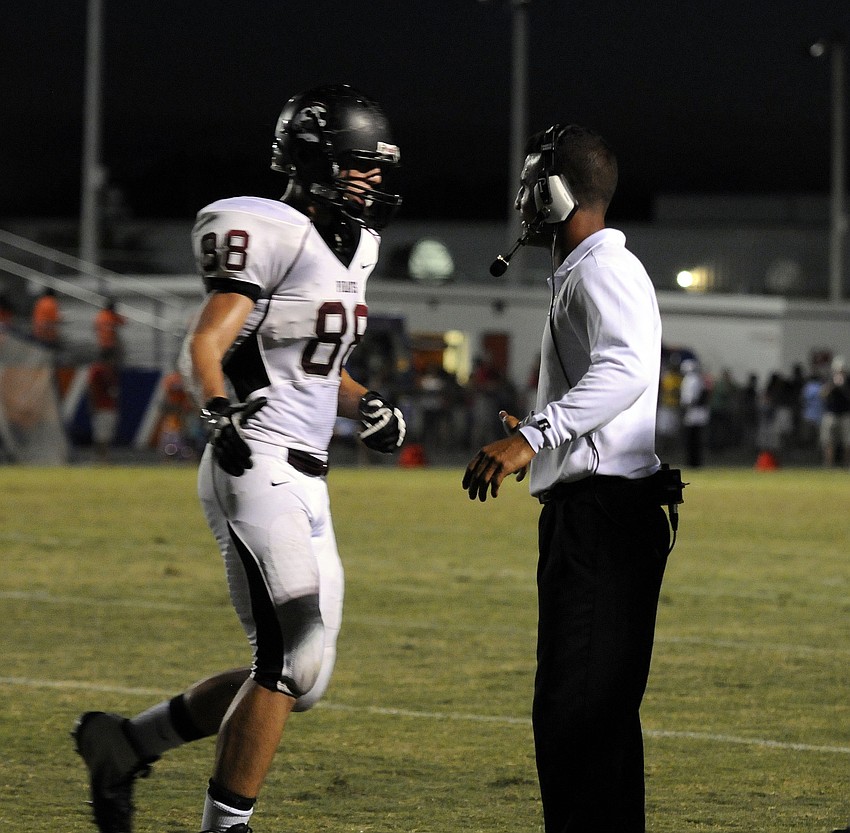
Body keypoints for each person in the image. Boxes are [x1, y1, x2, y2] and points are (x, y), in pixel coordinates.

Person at [72, 84, 406, 833]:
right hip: (253, 458)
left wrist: (368, 403)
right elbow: (208, 341)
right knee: (289, 658)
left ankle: (127, 744)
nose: (375, 181)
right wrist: (215, 405)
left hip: (310, 473)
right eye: (361, 166)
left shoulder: (360, 247)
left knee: (303, 678)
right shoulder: (267, 227)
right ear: (316, 162)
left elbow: (315, 366)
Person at [462, 123, 673, 832]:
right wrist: (544, 425)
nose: (522, 199)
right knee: (595, 716)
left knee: (575, 715)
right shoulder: (589, 270)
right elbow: (609, 381)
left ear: (555, 191)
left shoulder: (601, 269)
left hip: (604, 519)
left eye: (531, 184)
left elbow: (626, 368)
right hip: (605, 512)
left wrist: (533, 436)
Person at [87, 348, 121, 461]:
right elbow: (91, 389)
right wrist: (92, 405)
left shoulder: (110, 371)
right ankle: (99, 458)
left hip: (110, 407)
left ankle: (104, 458)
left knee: (107, 435)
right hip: (101, 407)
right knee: (100, 435)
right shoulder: (97, 370)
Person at [94, 298, 127, 362]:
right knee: (113, 360)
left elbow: (95, 327)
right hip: (111, 343)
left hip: (102, 343)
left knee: (104, 360)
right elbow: (123, 322)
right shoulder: (112, 315)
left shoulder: (100, 315)